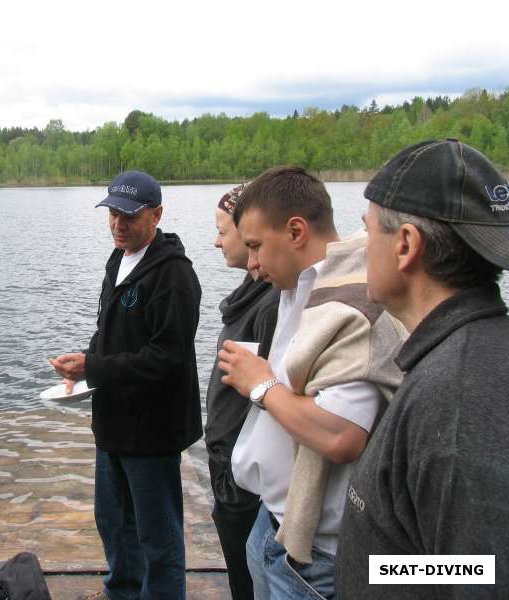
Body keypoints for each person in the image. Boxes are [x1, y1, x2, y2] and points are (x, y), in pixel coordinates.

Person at [217, 166, 406, 599]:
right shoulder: (299, 286)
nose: (252, 264)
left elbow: (342, 435)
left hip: (315, 558)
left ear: (296, 231)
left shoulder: (353, 302)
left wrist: (260, 385)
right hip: (273, 528)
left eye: (256, 247)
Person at [336, 140, 509, 598]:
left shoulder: (459, 401)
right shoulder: (460, 354)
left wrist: (382, 567)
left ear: (406, 245)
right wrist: (387, 560)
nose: (362, 246)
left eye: (369, 231)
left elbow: (481, 572)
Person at [50, 170, 202, 600]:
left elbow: (168, 359)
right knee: (113, 523)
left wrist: (94, 369)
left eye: (129, 216)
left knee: (158, 536)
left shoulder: (174, 277)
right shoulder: (118, 260)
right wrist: (82, 363)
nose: (118, 224)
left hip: (153, 431)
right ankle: (122, 592)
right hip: (114, 423)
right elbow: (108, 331)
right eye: (113, 213)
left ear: (156, 215)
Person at [205, 184, 279, 599]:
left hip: (245, 480)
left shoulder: (269, 305)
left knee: (250, 581)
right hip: (229, 468)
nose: (216, 241)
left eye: (222, 231)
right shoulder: (252, 298)